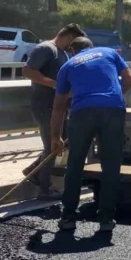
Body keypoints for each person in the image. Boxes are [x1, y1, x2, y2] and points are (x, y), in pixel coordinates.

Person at [50, 37, 131, 232]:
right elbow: (130, 78)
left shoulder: (68, 66)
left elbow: (58, 107)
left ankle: (69, 217)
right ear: (91, 47)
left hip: (82, 113)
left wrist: (55, 137)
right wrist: (114, 96)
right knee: (111, 165)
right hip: (113, 110)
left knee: (75, 164)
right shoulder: (109, 52)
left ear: (73, 51)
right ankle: (106, 219)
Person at [21, 23, 86, 199]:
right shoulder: (46, 49)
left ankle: (34, 171)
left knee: (60, 143)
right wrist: (53, 84)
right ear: (70, 37)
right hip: (45, 105)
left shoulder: (62, 52)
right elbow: (27, 70)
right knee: (52, 146)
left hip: (59, 107)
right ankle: (45, 189)